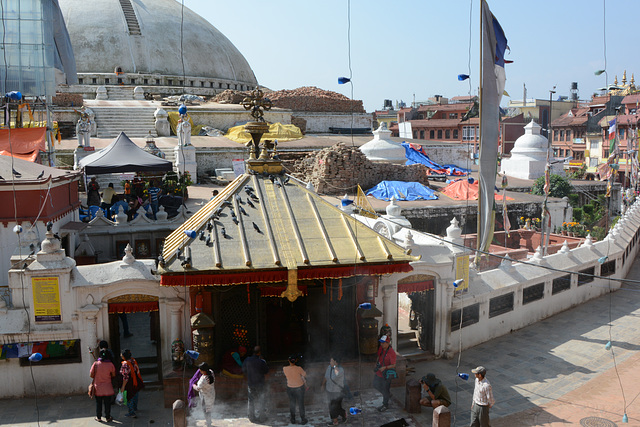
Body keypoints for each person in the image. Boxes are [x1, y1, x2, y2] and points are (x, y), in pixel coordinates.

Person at [242, 345, 269, 423]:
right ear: (259, 353)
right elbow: (266, 371)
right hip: (260, 383)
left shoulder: (247, 360)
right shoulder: (261, 361)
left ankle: (252, 417)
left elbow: (243, 370)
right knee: (261, 400)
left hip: (251, 383)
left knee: (251, 401)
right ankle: (262, 418)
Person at [90, 349, 115, 422]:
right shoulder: (110, 364)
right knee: (107, 403)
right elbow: (113, 375)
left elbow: (91, 375)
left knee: (99, 403)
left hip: (98, 387)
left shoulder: (96, 364)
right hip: (108, 387)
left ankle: (99, 417)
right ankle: (108, 417)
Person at [320, 356, 347, 425]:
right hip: (329, 390)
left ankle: (335, 421)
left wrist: (334, 366)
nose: (330, 362)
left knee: (333, 407)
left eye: (331, 361)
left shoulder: (340, 370)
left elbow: (335, 376)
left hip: (337, 392)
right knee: (336, 407)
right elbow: (326, 376)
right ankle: (343, 414)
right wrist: (323, 385)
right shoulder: (329, 367)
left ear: (335, 362)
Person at [373, 335, 396, 412]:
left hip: (386, 373)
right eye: (381, 343)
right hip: (379, 371)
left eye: (383, 343)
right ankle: (387, 394)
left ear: (388, 343)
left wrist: (385, 367)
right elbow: (378, 356)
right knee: (375, 384)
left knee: (386, 388)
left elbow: (393, 365)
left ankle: (385, 404)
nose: (381, 344)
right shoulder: (381, 349)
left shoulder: (391, 352)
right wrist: (376, 363)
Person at [283, 354, 307, 425]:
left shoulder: (285, 369)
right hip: (299, 388)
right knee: (301, 404)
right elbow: (305, 374)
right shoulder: (299, 368)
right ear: (296, 361)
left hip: (290, 388)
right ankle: (303, 419)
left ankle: (293, 419)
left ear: (288, 360)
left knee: (292, 403)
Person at [120, 349, 144, 418]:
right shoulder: (133, 360)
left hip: (129, 382)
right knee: (135, 393)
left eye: (121, 355)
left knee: (129, 396)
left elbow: (125, 376)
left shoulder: (125, 364)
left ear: (124, 356)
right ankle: (135, 407)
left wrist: (123, 386)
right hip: (135, 380)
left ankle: (131, 412)